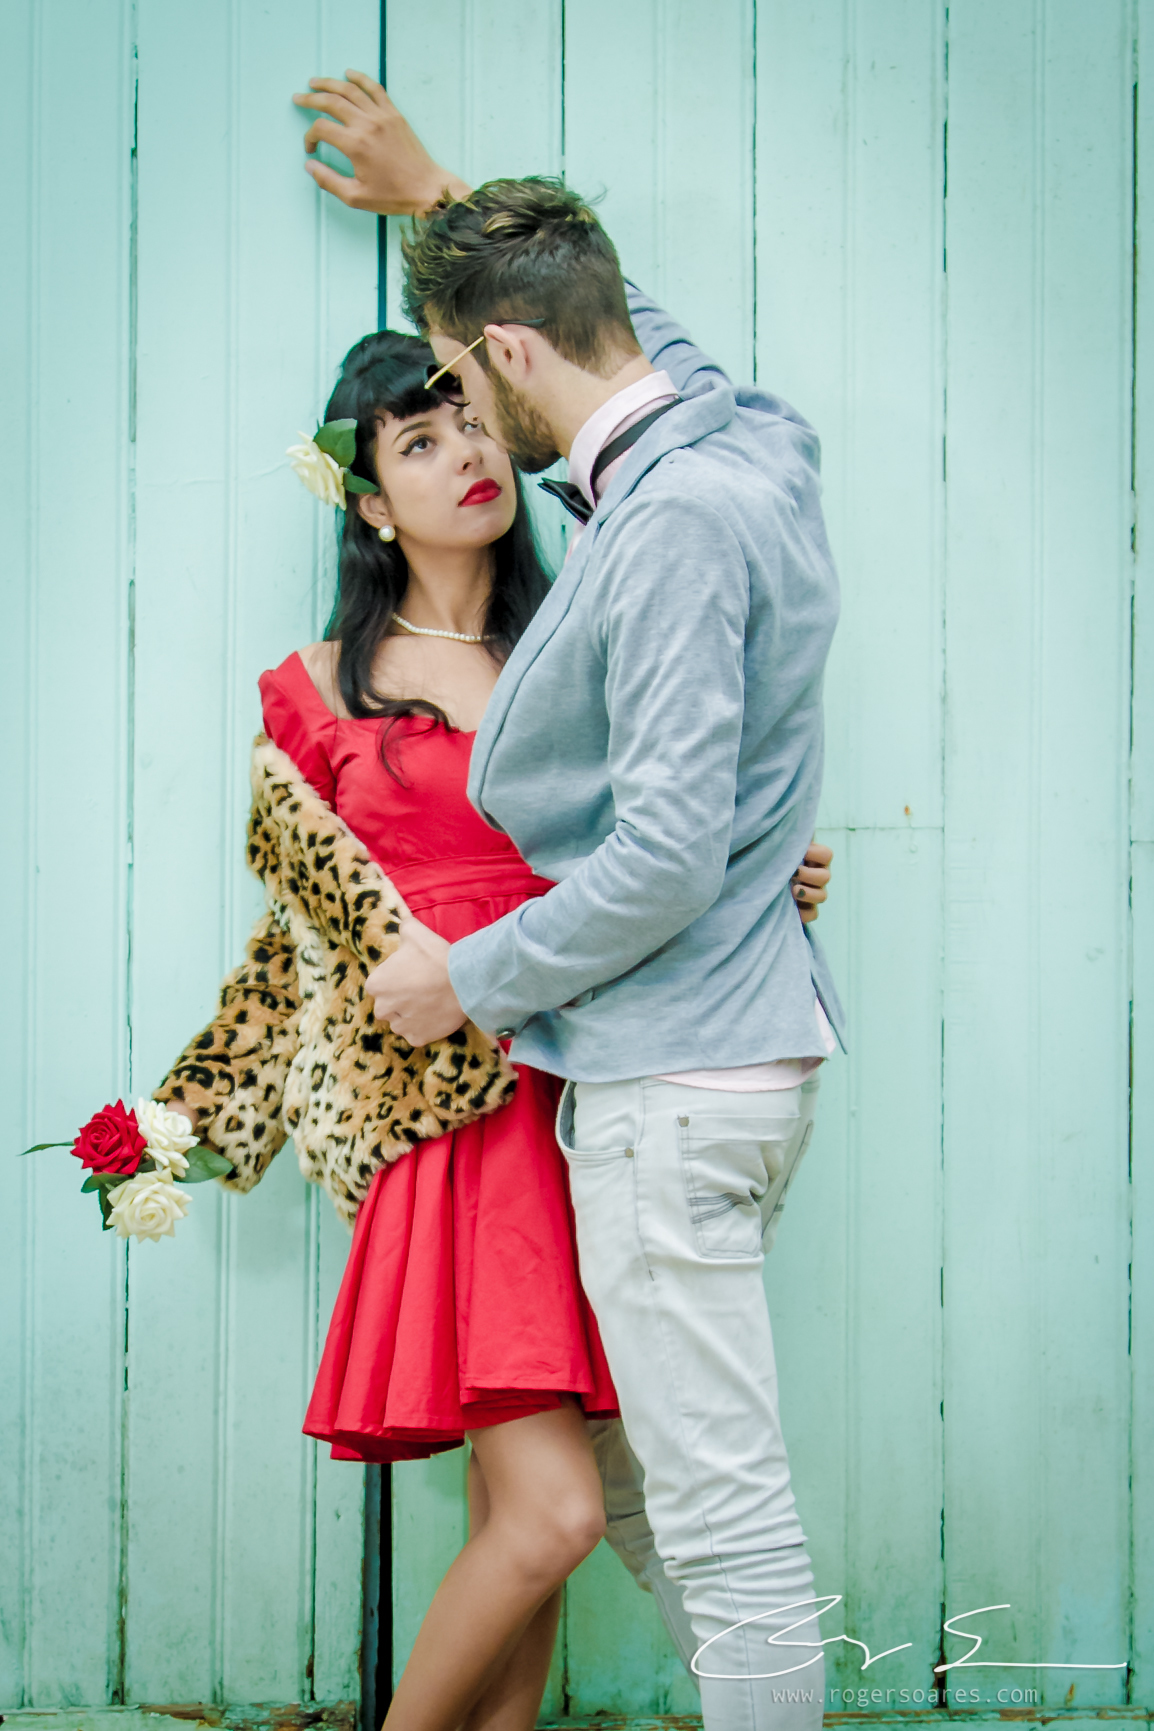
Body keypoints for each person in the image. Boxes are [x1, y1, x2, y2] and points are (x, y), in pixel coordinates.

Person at [152, 308, 836, 1730]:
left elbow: (670, 828)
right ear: (361, 492)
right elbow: (295, 947)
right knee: (549, 1518)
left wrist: (762, 869)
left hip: (601, 1082)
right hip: (450, 1120)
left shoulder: (583, 625)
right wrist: (183, 1118)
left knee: (526, 1528)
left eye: (472, 420)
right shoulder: (314, 690)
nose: (465, 454)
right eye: (417, 439)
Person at [291, 72, 844, 1731]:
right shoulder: (750, 441)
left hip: (669, 1086)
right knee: (635, 1507)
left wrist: (471, 976)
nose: (473, 426)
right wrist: (444, 210)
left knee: (719, 1528)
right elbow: (612, 332)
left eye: (468, 383)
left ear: (513, 360)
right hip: (678, 1077)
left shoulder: (665, 523)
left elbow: (663, 854)